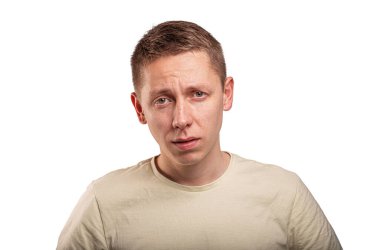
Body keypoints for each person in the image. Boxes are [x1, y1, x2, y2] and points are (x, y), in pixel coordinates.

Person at [57, 20, 342, 250]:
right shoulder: (102, 204)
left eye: (198, 94)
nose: (181, 120)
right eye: (162, 100)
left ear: (226, 94)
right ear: (139, 108)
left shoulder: (285, 194)